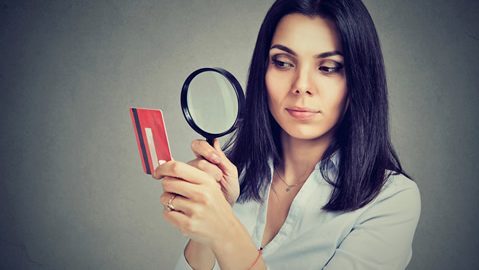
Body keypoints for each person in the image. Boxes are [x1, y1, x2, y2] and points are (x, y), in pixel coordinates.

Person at [153, 0, 421, 269]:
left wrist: (225, 230)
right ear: (263, 70)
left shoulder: (391, 200)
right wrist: (205, 229)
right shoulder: (234, 176)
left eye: (328, 67)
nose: (301, 86)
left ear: (358, 80)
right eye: (282, 63)